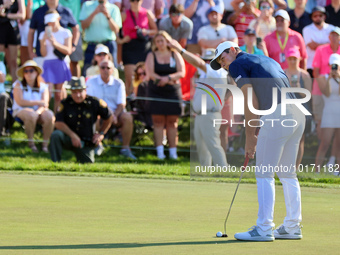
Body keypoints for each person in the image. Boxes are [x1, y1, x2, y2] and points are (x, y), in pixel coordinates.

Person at [211, 41, 305, 241]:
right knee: (287, 173)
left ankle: (263, 228)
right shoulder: (265, 59)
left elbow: (249, 100)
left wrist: (250, 136)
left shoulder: (238, 64)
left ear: (234, 50)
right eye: (220, 62)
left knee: (264, 172)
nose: (224, 65)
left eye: (223, 58)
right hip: (296, 113)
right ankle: (292, 226)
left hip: (278, 113)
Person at [168, 39, 228, 166]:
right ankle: (206, 176)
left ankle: (224, 171)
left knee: (213, 145)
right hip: (201, 115)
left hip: (210, 115)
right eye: (206, 60)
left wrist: (180, 50)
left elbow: (199, 63)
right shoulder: (204, 75)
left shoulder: (218, 72)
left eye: (209, 61)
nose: (206, 63)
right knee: (202, 148)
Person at [50, 76, 113, 163]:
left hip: (86, 142)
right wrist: (73, 135)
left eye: (80, 91)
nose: (78, 95)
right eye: (74, 92)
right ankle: (55, 163)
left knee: (88, 164)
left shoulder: (94, 103)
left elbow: (109, 117)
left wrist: (101, 134)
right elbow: (58, 123)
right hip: (68, 138)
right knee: (56, 135)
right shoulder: (65, 103)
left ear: (85, 90)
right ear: (71, 92)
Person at [145, 31, 185, 159]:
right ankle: (160, 153)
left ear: (167, 41)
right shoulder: (151, 55)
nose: (160, 43)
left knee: (172, 122)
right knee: (158, 122)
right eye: (157, 41)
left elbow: (182, 72)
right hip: (156, 91)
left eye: (162, 40)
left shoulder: (175, 54)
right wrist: (160, 80)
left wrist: (168, 78)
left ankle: (173, 153)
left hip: (172, 91)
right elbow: (150, 73)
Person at [86, 60, 137, 159]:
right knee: (93, 115)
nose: (105, 70)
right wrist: (106, 115)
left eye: (108, 68)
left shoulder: (119, 83)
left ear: (112, 70)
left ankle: (125, 149)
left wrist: (114, 115)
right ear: (99, 69)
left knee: (127, 117)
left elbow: (122, 104)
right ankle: (97, 145)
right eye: (103, 68)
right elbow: (90, 102)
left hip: (115, 115)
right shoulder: (91, 81)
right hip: (99, 114)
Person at [12, 60, 55, 153]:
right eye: (26, 71)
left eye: (31, 70)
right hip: (20, 111)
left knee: (50, 115)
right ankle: (31, 144)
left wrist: (38, 112)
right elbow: (20, 102)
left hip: (39, 111)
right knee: (31, 115)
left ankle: (45, 145)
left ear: (36, 72)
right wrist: (38, 102)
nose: (28, 73)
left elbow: (45, 104)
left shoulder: (43, 87)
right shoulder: (18, 84)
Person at [119, 0, 157, 95]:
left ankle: (144, 103)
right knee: (130, 79)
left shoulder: (147, 13)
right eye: (133, 0)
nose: (135, 2)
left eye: (138, 0)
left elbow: (155, 30)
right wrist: (121, 40)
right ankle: (129, 104)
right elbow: (115, 30)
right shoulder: (124, 14)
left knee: (144, 77)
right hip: (130, 48)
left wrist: (146, 32)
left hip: (143, 47)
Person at [28, 0, 79, 68]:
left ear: (58, 19)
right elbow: (31, 32)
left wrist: (73, 45)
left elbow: (76, 29)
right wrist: (31, 51)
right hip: (41, 55)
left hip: (61, 57)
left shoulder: (66, 11)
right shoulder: (38, 12)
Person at [39, 10, 72, 113]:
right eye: (48, 22)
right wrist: (44, 41)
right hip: (48, 64)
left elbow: (68, 50)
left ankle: (58, 117)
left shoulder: (66, 32)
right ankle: (45, 116)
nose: (50, 24)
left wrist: (55, 43)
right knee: (47, 92)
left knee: (59, 94)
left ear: (58, 19)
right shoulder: (42, 34)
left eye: (52, 21)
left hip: (61, 63)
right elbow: (43, 53)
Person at [284, 47, 312, 166]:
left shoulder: (304, 75)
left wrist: (299, 88)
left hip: (302, 110)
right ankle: (284, 167)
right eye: (290, 58)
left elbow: (309, 94)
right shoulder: (282, 73)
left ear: (299, 59)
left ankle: (295, 169)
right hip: (286, 110)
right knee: (285, 139)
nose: (292, 61)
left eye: (294, 59)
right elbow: (278, 94)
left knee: (300, 140)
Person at [312, 27, 340, 140]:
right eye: (332, 35)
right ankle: (322, 148)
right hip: (319, 90)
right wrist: (325, 84)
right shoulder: (320, 49)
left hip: (337, 93)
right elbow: (316, 72)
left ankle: (333, 154)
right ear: (329, 37)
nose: (334, 38)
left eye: (336, 35)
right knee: (320, 121)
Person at [79, 0, 121, 73]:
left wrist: (108, 16)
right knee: (88, 72)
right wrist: (95, 12)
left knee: (111, 72)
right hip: (92, 46)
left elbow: (116, 29)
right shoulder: (87, 5)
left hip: (109, 45)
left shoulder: (114, 8)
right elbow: (83, 26)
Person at [315, 54, 340, 174]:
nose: (335, 68)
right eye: (333, 65)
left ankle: (337, 171)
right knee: (325, 143)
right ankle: (316, 170)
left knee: (339, 144)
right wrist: (330, 79)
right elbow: (327, 93)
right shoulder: (322, 77)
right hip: (329, 113)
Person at [303, 6, 334, 78]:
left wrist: (317, 44)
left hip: (328, 66)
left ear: (324, 16)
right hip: (311, 65)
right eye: (315, 16)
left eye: (320, 15)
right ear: (312, 17)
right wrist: (328, 44)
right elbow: (312, 46)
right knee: (311, 89)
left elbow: (335, 45)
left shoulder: (332, 28)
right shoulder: (307, 29)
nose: (318, 17)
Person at [0, 0, 25, 80]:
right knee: (0, 60)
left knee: (13, 62)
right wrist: (4, 6)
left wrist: (7, 15)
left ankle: (15, 86)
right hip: (1, 29)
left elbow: (22, 15)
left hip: (12, 31)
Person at [0, 53, 11, 136]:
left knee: (4, 97)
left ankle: (1, 130)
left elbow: (2, 79)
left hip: (1, 94)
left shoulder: (1, 64)